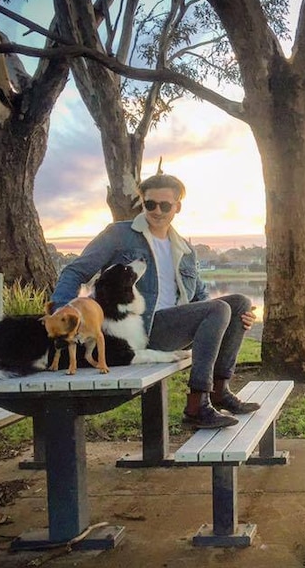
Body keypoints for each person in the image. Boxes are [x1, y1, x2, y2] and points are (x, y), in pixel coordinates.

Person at [51, 169, 259, 429]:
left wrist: (238, 317)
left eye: (165, 205)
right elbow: (75, 271)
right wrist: (61, 313)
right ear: (143, 203)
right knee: (217, 309)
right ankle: (197, 403)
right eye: (150, 204)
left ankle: (220, 389)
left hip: (170, 328)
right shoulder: (120, 235)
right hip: (134, 330)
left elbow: (200, 296)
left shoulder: (184, 248)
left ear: (177, 206)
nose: (157, 211)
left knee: (237, 303)